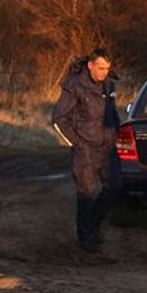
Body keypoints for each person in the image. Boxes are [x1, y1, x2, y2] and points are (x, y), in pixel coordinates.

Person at [51, 48, 119, 253]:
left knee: (116, 186)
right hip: (85, 149)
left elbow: (112, 114)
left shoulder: (109, 84)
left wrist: (116, 132)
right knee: (86, 194)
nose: (103, 72)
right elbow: (58, 119)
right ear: (90, 66)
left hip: (107, 147)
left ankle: (93, 227)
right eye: (100, 68)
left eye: (107, 68)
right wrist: (78, 144)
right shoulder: (74, 85)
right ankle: (86, 242)